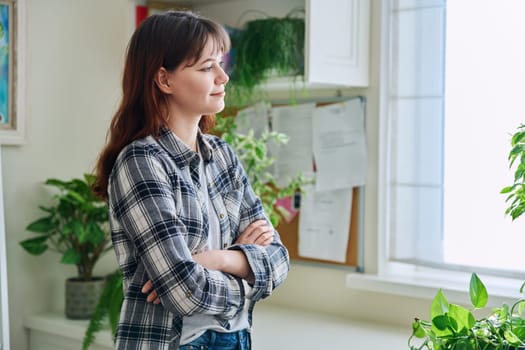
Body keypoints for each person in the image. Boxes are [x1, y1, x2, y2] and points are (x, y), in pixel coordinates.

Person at [93, 10, 290, 350]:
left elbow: (279, 259)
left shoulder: (222, 155)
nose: (223, 77)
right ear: (164, 80)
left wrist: (217, 260)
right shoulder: (141, 162)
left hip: (235, 338)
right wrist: (248, 273)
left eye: (221, 63)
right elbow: (184, 292)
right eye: (206, 67)